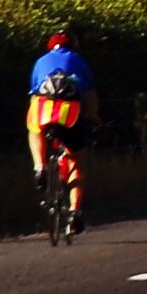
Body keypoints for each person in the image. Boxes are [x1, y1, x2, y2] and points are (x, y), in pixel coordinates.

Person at [27, 28, 98, 223]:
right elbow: (91, 96)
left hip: (44, 109)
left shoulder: (40, 61)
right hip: (70, 112)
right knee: (77, 161)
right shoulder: (79, 60)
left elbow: (34, 94)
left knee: (34, 130)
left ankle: (40, 166)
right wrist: (93, 118)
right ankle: (75, 211)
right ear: (73, 46)